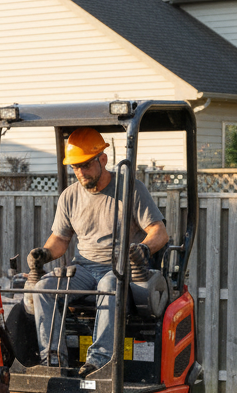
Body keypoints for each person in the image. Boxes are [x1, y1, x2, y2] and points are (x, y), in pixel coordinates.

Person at [29, 127, 168, 376]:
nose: (80, 172)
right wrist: (45, 254)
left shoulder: (131, 189)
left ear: (102, 159)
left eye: (85, 164)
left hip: (120, 269)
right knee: (42, 289)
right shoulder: (69, 196)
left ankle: (100, 361)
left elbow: (159, 231)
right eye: (75, 167)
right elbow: (60, 238)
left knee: (108, 284)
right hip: (82, 269)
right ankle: (52, 362)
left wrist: (143, 249)